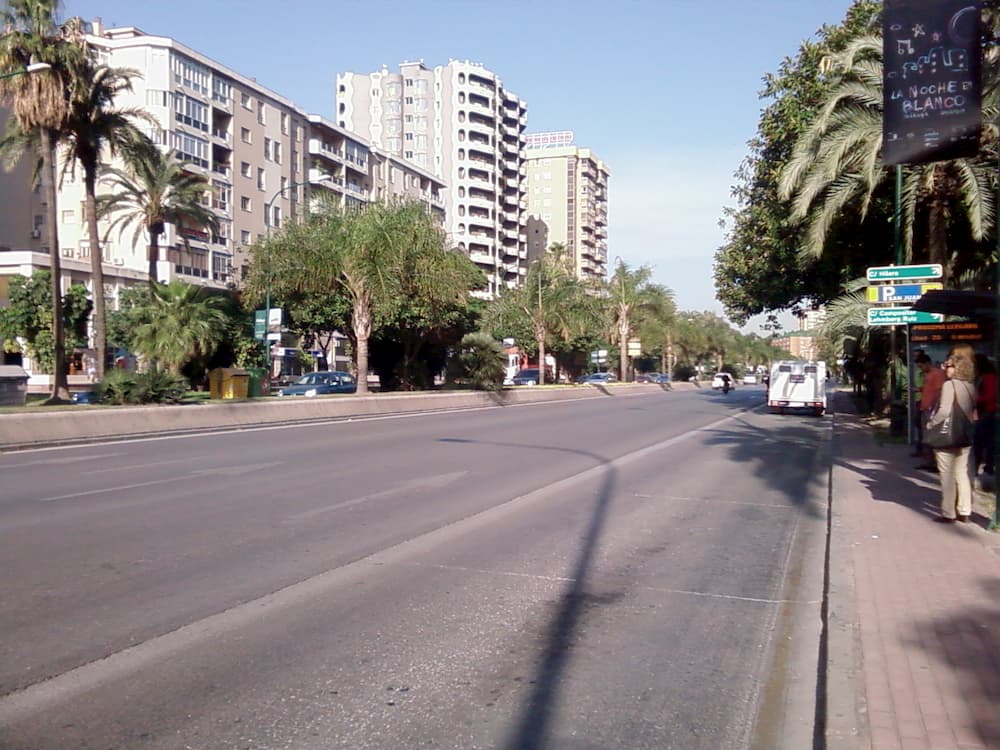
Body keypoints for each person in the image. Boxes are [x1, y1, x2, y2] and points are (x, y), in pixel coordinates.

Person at [926, 343, 977, 523]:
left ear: (955, 368)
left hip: (947, 436)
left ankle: (949, 512)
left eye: (947, 365)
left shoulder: (950, 386)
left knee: (947, 474)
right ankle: (965, 510)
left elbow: (944, 411)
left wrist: (931, 424)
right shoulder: (971, 386)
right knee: (961, 473)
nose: (945, 368)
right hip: (964, 436)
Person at [913, 352, 945, 467]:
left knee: (931, 435)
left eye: (921, 366)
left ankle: (934, 462)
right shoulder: (927, 374)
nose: (921, 369)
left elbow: (938, 391)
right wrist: (919, 389)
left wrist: (934, 407)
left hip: (931, 409)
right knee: (926, 435)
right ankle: (928, 460)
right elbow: (929, 388)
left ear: (928, 363)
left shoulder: (937, 374)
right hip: (925, 407)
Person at [973, 353, 996, 478]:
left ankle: (988, 467)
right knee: (981, 441)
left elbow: (991, 395)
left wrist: (976, 400)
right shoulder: (981, 376)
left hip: (988, 412)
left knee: (984, 442)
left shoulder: (989, 377)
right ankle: (983, 467)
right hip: (982, 412)